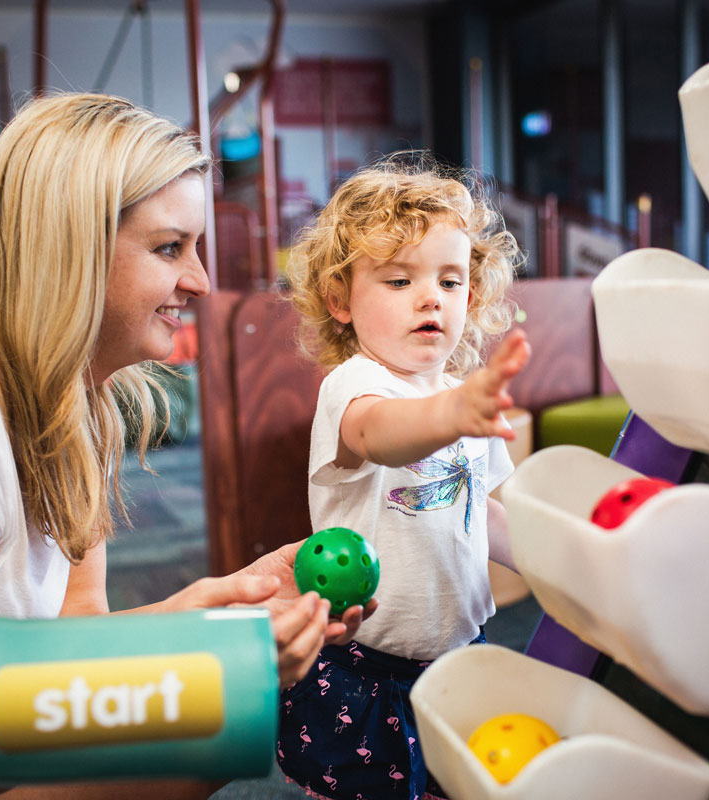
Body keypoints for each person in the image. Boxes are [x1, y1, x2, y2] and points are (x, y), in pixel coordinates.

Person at [0, 92, 370, 800]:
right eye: (170, 248)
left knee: (213, 724)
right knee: (205, 735)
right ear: (70, 249)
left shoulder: (76, 397)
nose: (202, 282)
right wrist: (196, 673)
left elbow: (74, 626)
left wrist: (203, 616)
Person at [275, 155, 530, 800]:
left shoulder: (457, 396)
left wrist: (559, 560)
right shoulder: (355, 387)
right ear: (339, 299)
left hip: (460, 651)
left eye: (449, 281)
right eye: (398, 281)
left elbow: (486, 514)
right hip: (366, 667)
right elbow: (380, 435)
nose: (429, 299)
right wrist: (455, 412)